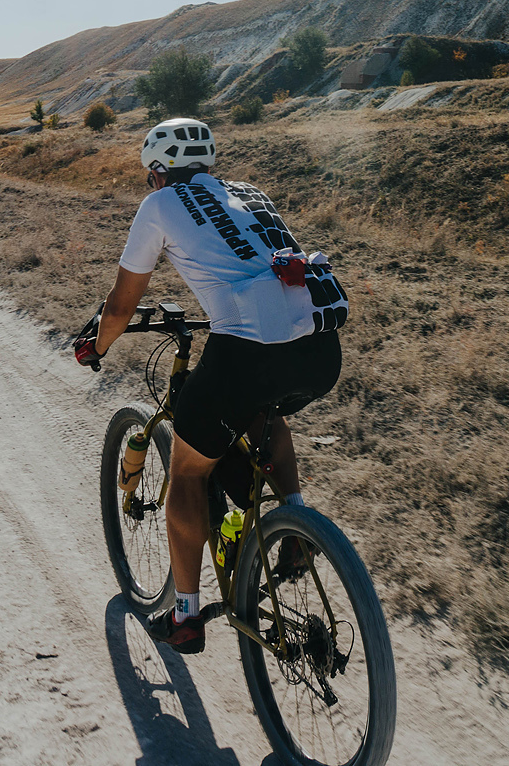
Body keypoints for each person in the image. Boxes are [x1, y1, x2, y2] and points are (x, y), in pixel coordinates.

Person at [72, 117, 347, 655]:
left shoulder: (159, 206)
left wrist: (97, 346)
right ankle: (295, 525)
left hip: (248, 348)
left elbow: (122, 305)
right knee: (265, 411)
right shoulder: (248, 194)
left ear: (157, 172)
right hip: (318, 345)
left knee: (188, 471)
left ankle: (186, 615)